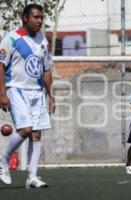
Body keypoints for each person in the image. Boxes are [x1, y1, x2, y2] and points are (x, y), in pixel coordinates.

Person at [0, 4, 55, 188]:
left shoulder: (42, 41)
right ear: (25, 17)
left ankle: (32, 177)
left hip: (37, 92)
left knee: (37, 134)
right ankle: (3, 160)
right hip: (17, 90)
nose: (39, 21)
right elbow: (0, 65)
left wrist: (51, 95)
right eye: (36, 17)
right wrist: (2, 93)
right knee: (26, 129)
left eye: (41, 18)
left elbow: (46, 70)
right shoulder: (12, 38)